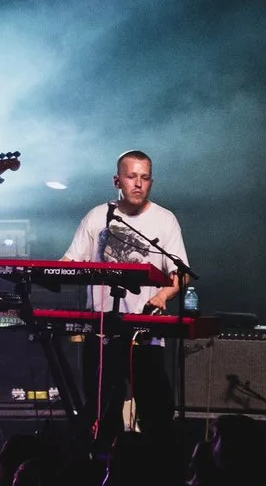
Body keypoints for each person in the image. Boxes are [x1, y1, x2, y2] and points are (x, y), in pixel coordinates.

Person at [61, 149, 190, 445]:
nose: (138, 184)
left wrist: (163, 294)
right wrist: (45, 273)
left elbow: (181, 272)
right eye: (131, 176)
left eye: (145, 178)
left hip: (145, 331)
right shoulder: (97, 217)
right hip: (102, 329)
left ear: (151, 182)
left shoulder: (164, 220)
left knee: (155, 411)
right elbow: (70, 262)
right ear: (117, 180)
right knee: (101, 410)